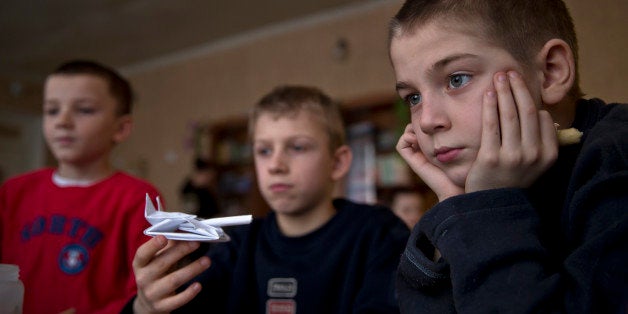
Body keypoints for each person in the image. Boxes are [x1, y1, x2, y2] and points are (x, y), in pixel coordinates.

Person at [388, 0, 628, 313]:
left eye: (456, 79)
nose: (426, 121)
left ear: (551, 73)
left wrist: (488, 208)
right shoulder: (474, 186)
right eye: (414, 97)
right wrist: (457, 205)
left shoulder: (615, 157)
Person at [127, 85, 410, 313]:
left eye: (297, 147)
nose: (275, 165)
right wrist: (146, 306)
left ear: (337, 163)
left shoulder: (378, 233)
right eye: (263, 151)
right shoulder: (237, 245)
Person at [0, 60, 162, 314]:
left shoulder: (138, 198)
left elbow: (143, 294)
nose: (62, 121)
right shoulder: (13, 192)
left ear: (120, 128)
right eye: (52, 110)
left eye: (84, 110)